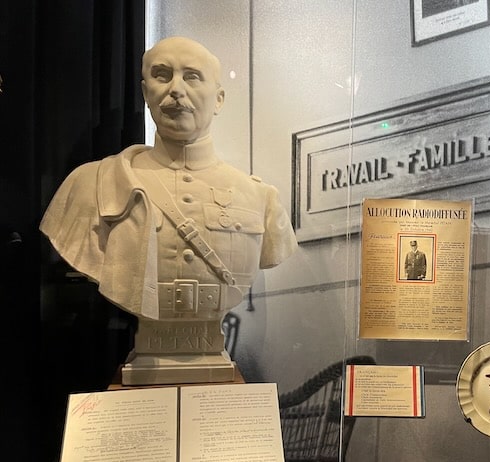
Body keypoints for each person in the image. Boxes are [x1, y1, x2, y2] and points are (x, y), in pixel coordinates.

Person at [39, 37, 297, 381]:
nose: (176, 89)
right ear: (146, 93)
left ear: (219, 99)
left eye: (192, 77)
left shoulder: (259, 197)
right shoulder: (90, 186)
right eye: (162, 75)